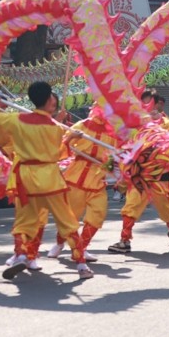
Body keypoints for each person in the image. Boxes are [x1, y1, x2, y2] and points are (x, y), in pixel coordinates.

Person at [0, 82, 92, 280]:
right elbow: (59, 153)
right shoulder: (55, 128)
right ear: (50, 99)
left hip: (27, 180)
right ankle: (82, 265)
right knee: (67, 221)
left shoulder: (17, 120)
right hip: (50, 180)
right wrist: (69, 138)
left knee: (24, 222)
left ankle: (22, 254)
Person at [109, 90, 169, 253]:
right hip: (139, 173)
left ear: (158, 105)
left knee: (164, 208)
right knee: (131, 205)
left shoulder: (167, 124)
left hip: (159, 174)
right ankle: (124, 240)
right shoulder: (134, 126)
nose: (146, 108)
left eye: (149, 104)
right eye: (143, 105)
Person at [47, 107, 120, 260]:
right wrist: (70, 138)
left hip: (98, 179)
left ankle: (82, 248)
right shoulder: (81, 126)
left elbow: (112, 157)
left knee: (98, 214)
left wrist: (112, 167)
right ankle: (59, 243)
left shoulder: (113, 131)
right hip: (76, 177)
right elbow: (60, 151)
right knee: (70, 216)